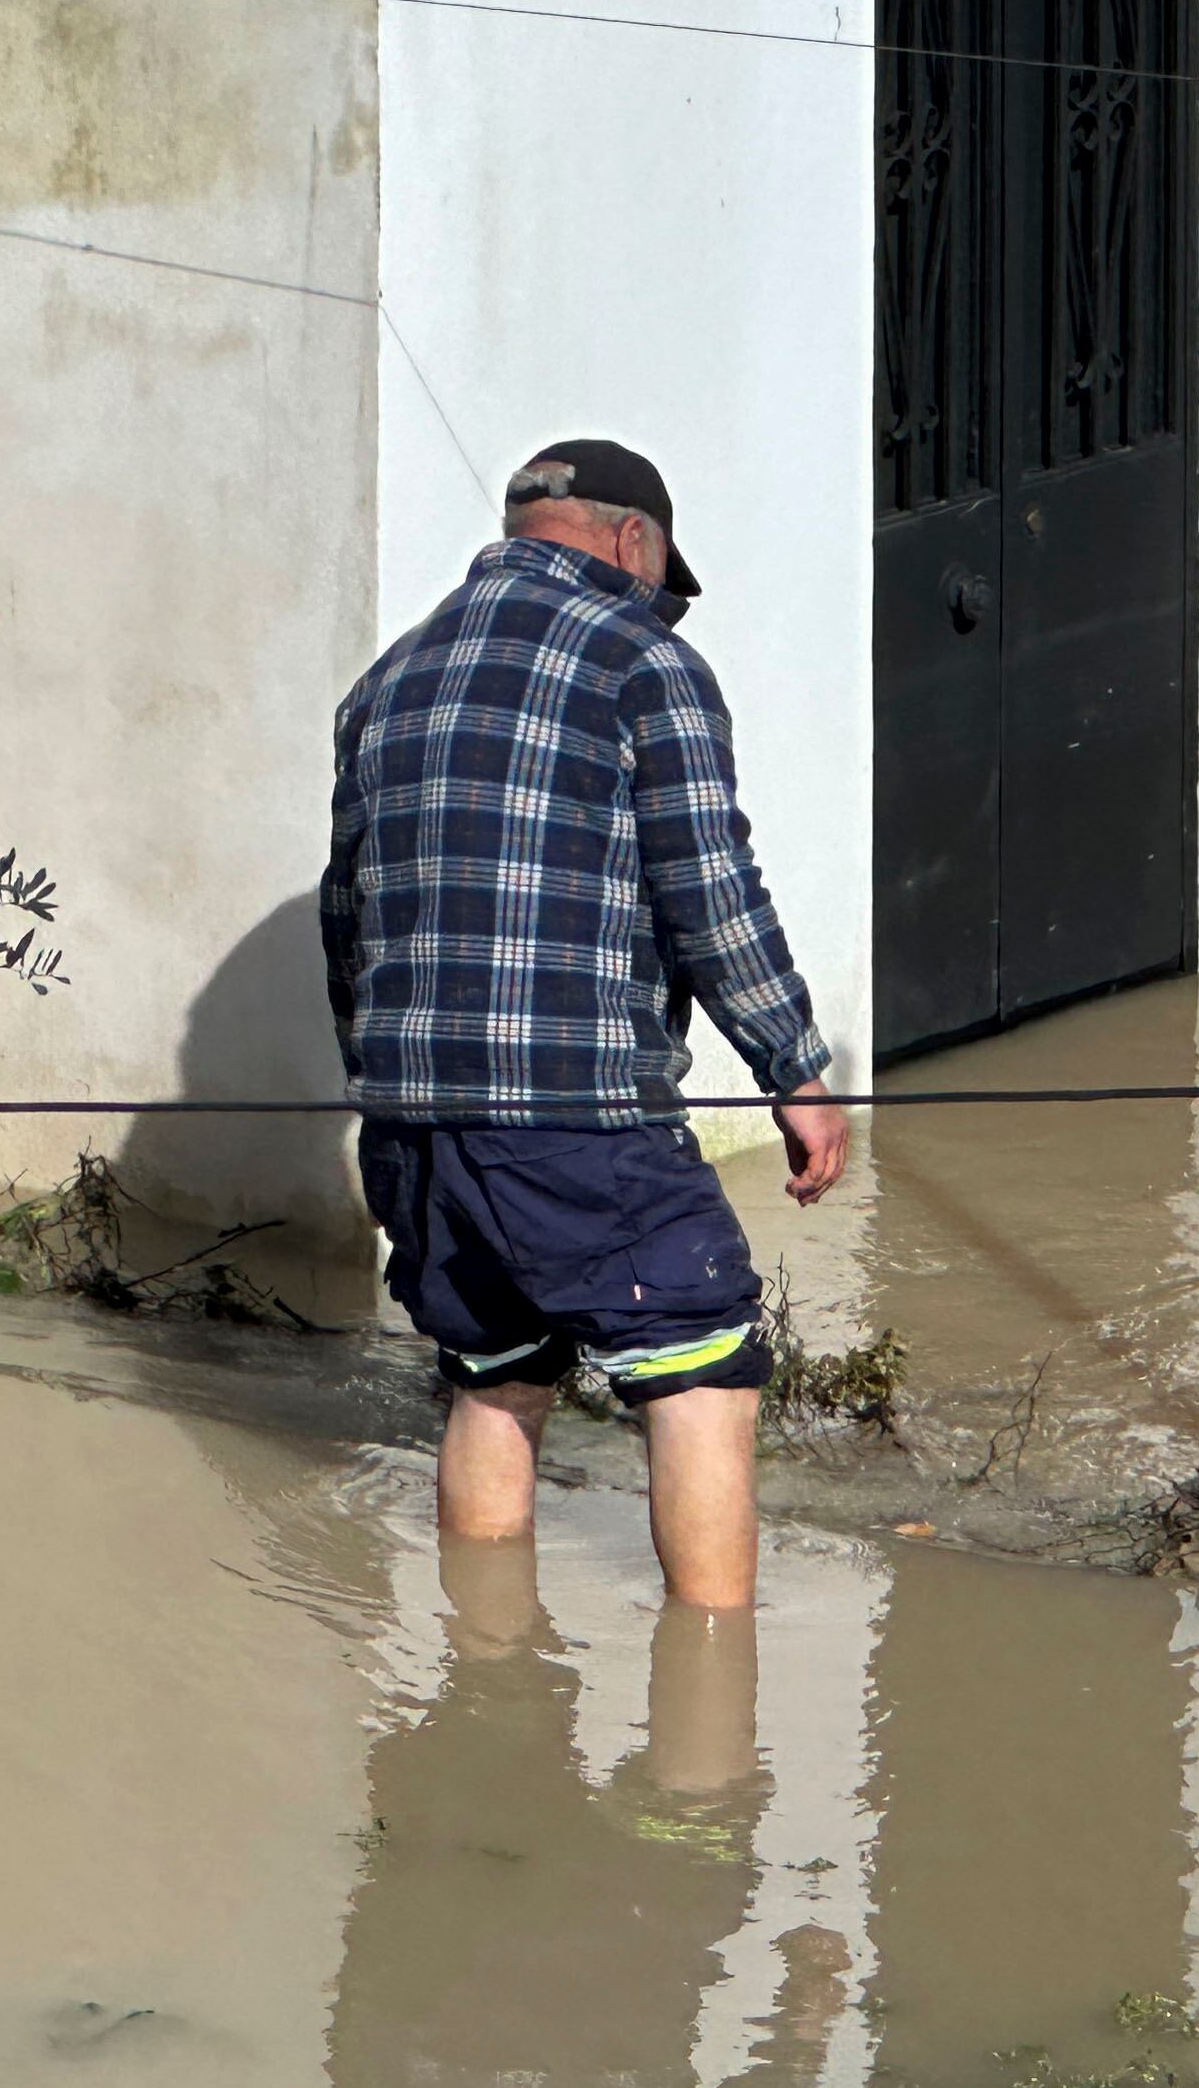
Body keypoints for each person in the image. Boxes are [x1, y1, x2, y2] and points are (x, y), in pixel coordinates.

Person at [323, 438, 848, 1608]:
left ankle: (491, 1690)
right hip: (575, 1120)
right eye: (664, 579)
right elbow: (709, 890)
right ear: (632, 544)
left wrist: (382, 1078)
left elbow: (344, 913)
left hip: (414, 1127)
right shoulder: (641, 664)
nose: (663, 603)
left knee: (496, 1379)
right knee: (704, 1370)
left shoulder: (388, 681)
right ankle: (703, 1763)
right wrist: (797, 1073)